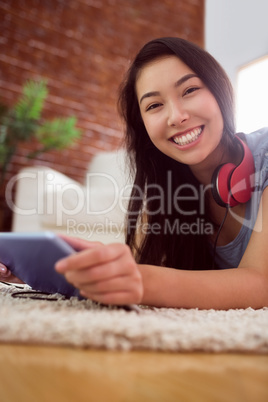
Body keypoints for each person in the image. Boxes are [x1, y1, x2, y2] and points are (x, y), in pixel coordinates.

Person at [1, 37, 268, 309]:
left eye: (189, 90)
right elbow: (159, 272)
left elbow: (261, 285)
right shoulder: (164, 190)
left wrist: (140, 281)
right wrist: (50, 272)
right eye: (154, 105)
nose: (175, 116)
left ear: (220, 90)